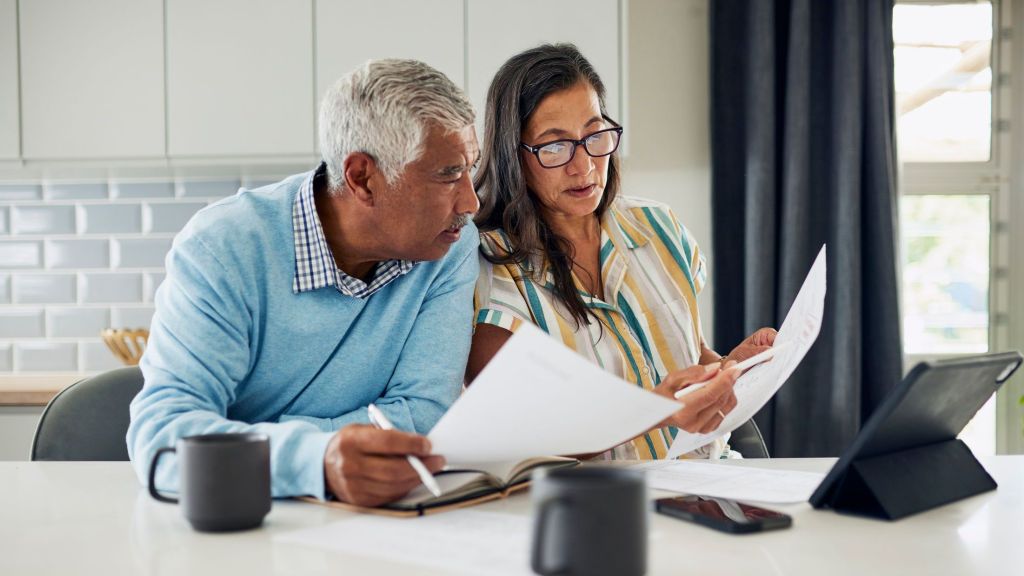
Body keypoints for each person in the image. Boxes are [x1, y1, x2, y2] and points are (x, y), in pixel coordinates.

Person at [128, 59, 481, 507]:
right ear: (363, 179)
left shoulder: (449, 245)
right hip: (239, 520)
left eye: (471, 169)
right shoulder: (223, 248)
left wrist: (263, 447)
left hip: (372, 523)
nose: (470, 201)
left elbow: (423, 417)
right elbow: (164, 437)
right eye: (449, 174)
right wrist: (317, 460)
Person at [467, 44, 776, 460]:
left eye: (594, 135)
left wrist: (729, 369)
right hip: (598, 507)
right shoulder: (486, 272)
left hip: (712, 484)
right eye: (554, 147)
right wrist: (656, 412)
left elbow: (689, 351)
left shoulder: (658, 226)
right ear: (514, 155)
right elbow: (523, 433)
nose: (584, 167)